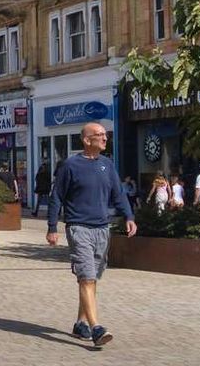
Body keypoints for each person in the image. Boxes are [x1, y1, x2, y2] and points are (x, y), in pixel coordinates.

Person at [47, 122, 135, 348]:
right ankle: (96, 328)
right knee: (86, 276)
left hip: (102, 229)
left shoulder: (107, 165)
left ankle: (80, 323)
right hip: (79, 228)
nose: (105, 138)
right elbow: (56, 196)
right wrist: (52, 227)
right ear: (87, 140)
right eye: (100, 135)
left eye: (105, 135)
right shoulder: (70, 165)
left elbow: (118, 194)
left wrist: (129, 216)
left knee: (92, 278)